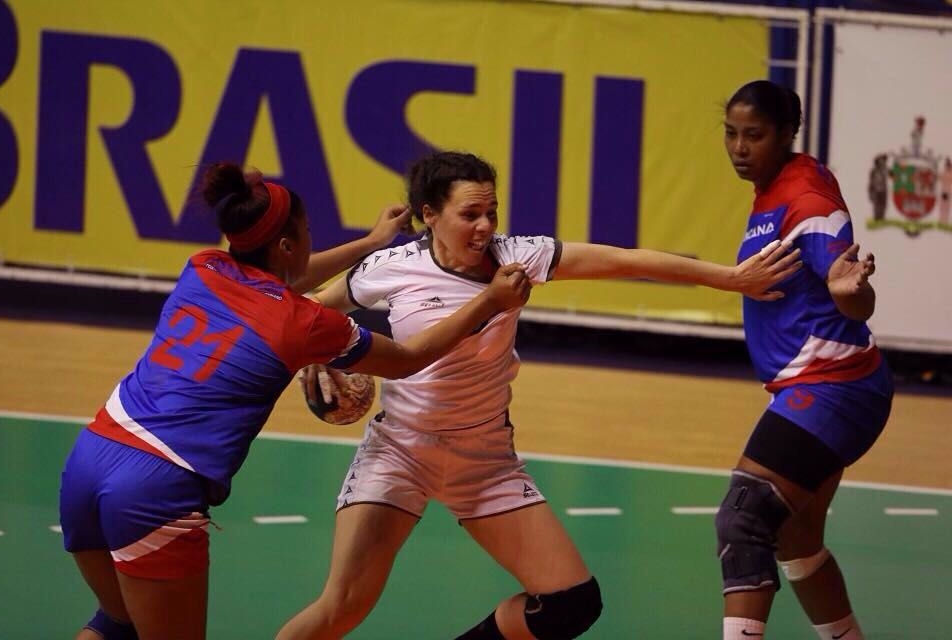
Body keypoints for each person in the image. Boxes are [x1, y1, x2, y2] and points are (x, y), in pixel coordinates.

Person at [275, 151, 803, 640]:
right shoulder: (392, 267)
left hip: (483, 459)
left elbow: (625, 261)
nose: (485, 226)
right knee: (343, 606)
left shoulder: (518, 258)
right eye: (470, 214)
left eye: (492, 212)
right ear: (429, 214)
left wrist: (730, 279)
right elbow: (313, 307)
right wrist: (318, 354)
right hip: (400, 452)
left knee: (571, 603)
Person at [58, 162, 533, 640]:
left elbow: (285, 279)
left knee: (116, 626)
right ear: (287, 245)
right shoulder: (305, 324)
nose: (310, 241)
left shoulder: (204, 267)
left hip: (91, 457)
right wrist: (489, 301)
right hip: (155, 486)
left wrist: (371, 243)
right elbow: (410, 358)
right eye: (307, 233)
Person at [715, 80, 892, 640]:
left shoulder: (808, 202)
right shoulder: (777, 187)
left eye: (755, 135)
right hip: (825, 386)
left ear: (788, 133)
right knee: (795, 539)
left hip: (834, 386)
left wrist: (849, 290)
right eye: (731, 133)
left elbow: (852, 291)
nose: (740, 148)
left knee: (743, 519)